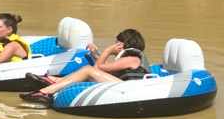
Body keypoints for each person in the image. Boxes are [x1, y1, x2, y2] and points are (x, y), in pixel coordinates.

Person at [20, 28, 149, 105]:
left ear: (123, 44)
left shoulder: (131, 58)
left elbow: (98, 68)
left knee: (88, 70)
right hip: (124, 86)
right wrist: (95, 53)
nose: (114, 44)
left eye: (116, 42)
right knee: (88, 71)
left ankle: (45, 91)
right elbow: (106, 69)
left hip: (129, 89)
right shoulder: (129, 59)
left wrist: (108, 51)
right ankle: (54, 81)